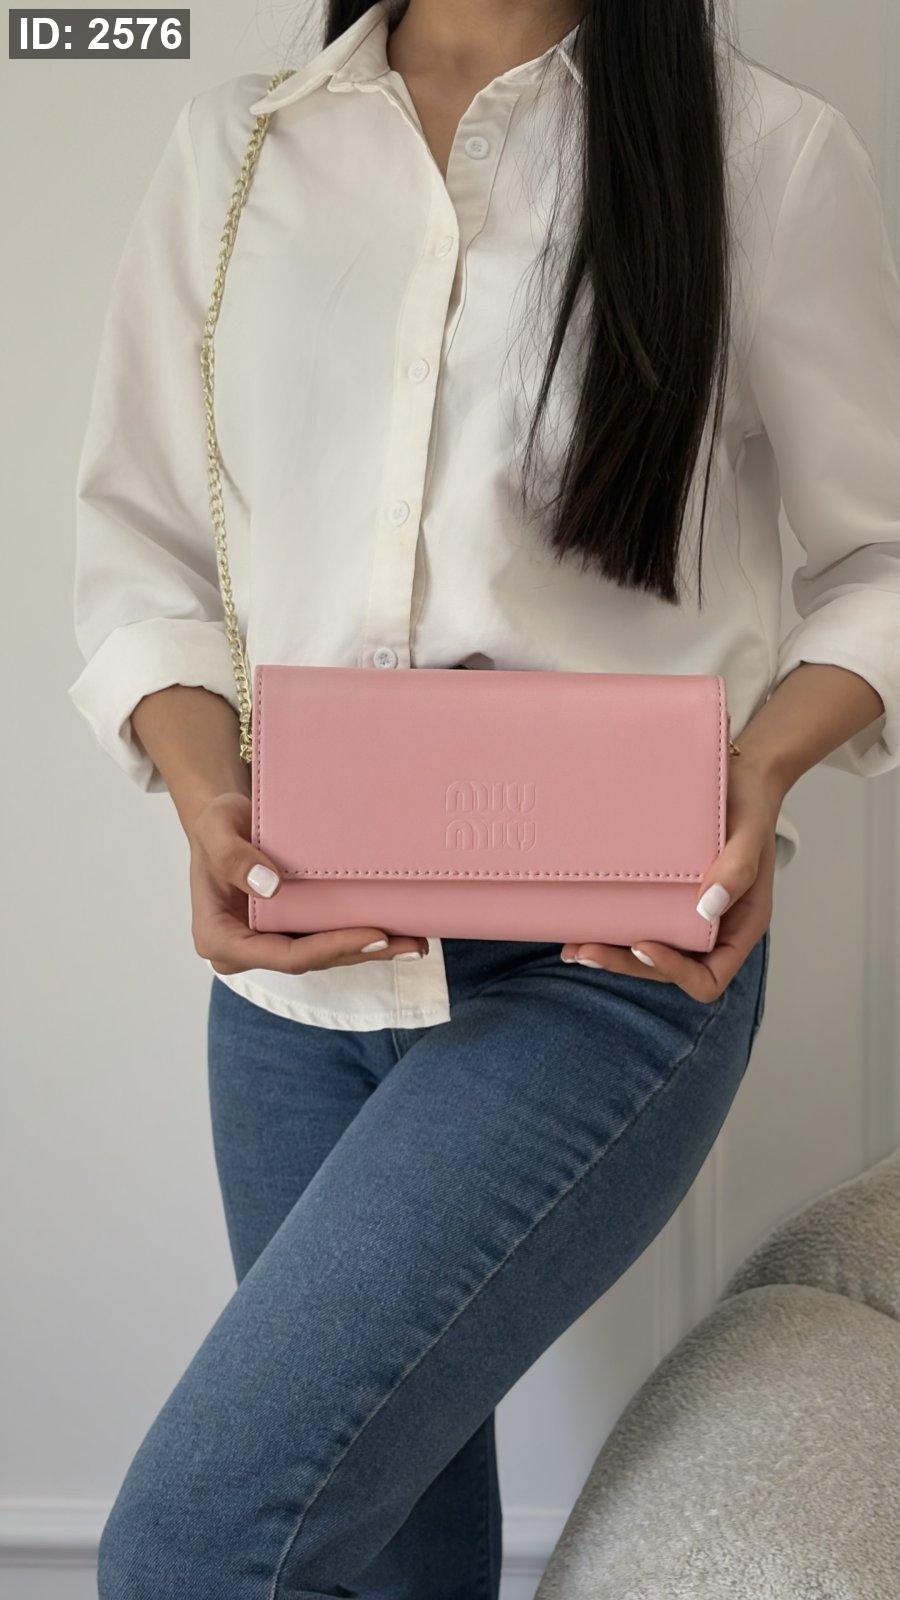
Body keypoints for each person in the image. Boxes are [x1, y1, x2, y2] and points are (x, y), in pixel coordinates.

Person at [69, 2, 900, 1596]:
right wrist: (203, 795)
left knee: (198, 1545)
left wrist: (760, 766)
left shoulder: (764, 156)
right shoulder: (238, 151)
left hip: (609, 969)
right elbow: (144, 550)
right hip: (296, 981)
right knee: (381, 1558)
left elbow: (882, 555)